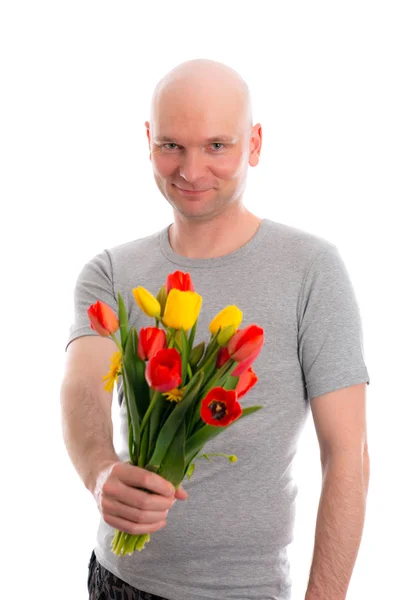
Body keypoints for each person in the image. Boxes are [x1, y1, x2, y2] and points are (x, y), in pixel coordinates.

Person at [61, 58, 370, 600]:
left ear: (253, 144)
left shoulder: (311, 268)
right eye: (172, 145)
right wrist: (100, 471)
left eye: (217, 146)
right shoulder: (111, 271)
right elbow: (83, 385)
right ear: (149, 141)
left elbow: (347, 455)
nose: (191, 170)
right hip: (119, 582)